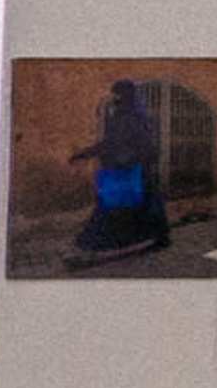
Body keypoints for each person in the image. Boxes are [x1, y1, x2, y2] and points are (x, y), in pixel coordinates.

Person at [69, 80, 176, 262]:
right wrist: (85, 154)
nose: (114, 96)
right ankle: (155, 238)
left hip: (131, 169)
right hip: (128, 168)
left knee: (115, 205)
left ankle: (95, 244)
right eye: (114, 93)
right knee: (139, 206)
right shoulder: (123, 114)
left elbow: (144, 145)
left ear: (125, 95)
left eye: (117, 93)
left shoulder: (133, 117)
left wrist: (129, 159)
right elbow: (111, 142)